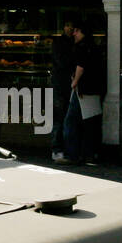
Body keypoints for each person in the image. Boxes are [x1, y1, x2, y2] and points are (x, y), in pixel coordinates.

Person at [58, 20, 104, 166]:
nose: (74, 33)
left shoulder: (81, 47)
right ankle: (90, 155)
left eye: (77, 31)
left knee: (70, 121)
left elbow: (81, 66)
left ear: (83, 32)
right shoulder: (94, 47)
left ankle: (71, 155)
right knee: (90, 123)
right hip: (93, 90)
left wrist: (74, 82)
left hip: (82, 90)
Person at [49, 17, 76, 160]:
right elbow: (61, 62)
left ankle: (64, 148)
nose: (70, 29)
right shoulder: (59, 43)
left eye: (72, 26)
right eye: (67, 25)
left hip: (69, 84)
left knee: (65, 117)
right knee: (60, 117)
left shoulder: (72, 42)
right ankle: (57, 148)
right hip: (61, 85)